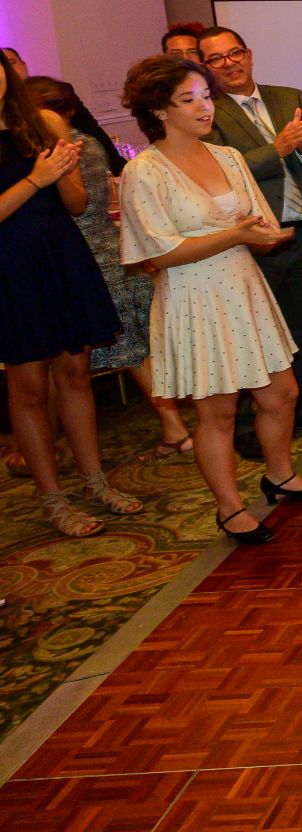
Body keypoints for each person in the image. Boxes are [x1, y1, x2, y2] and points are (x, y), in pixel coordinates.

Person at [119, 55, 302, 543]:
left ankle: (278, 474)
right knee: (217, 413)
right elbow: (160, 252)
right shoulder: (144, 171)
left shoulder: (230, 157)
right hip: (194, 296)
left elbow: (257, 221)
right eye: (188, 99)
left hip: (244, 285)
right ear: (159, 110)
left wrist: (266, 236)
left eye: (206, 96)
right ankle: (229, 508)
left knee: (282, 393)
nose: (204, 107)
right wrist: (236, 235)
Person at [1, 52, 138, 537]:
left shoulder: (39, 122)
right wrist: (35, 179)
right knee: (30, 385)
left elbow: (77, 203)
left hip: (61, 254)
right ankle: (52, 497)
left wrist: (64, 175)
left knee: (77, 371)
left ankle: (94, 481)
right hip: (9, 268)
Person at [198, 26, 302, 451]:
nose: (230, 63)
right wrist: (278, 149)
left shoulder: (287, 96)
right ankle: (249, 424)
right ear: (206, 68)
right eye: (217, 59)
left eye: (235, 53)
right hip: (252, 239)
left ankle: (299, 408)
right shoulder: (208, 111)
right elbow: (220, 170)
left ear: (249, 53)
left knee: (300, 330)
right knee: (254, 335)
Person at [30, 77, 191, 461]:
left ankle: (174, 429)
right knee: (129, 349)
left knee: (114, 353)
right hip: (110, 250)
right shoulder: (89, 140)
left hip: (83, 260)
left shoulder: (52, 147)